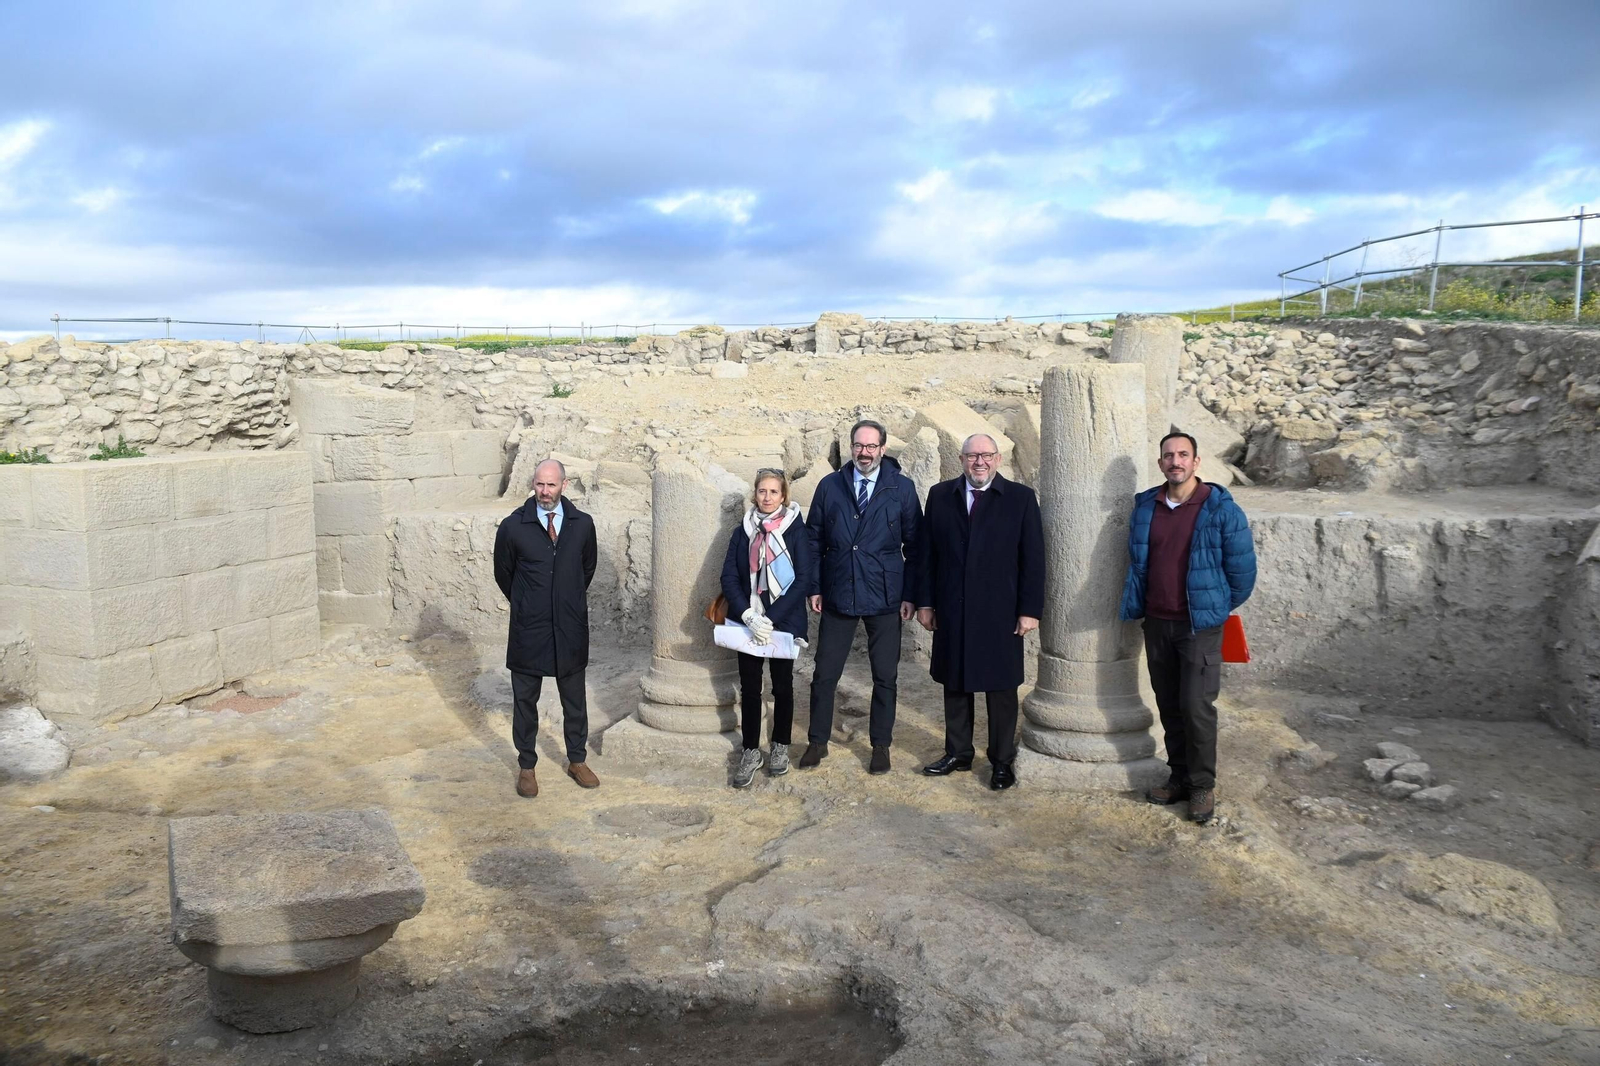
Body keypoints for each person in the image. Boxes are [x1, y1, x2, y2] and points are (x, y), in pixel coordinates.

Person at [1119, 431, 1256, 825]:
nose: (1175, 461)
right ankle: (1177, 777)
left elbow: (1242, 574)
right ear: (1160, 463)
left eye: (1183, 455)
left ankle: (1201, 786)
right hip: (1157, 622)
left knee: (1197, 707)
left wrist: (1213, 607)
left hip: (1199, 627)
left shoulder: (1221, 510)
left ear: (1197, 462)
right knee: (1170, 705)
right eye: (1168, 456)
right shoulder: (1146, 506)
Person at [916, 434, 1044, 790]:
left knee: (1001, 689)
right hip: (952, 608)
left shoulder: (1019, 499)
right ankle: (958, 752)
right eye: (972, 456)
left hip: (1000, 612)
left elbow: (1033, 560)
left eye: (986, 455)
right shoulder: (941, 496)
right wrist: (925, 602)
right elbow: (927, 556)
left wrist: (1029, 610)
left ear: (998, 459)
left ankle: (1001, 761)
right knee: (955, 683)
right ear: (961, 459)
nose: (979, 462)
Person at [801, 418, 922, 774]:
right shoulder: (829, 486)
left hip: (886, 594)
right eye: (858, 446)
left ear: (883, 449)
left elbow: (916, 546)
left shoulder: (901, 489)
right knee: (825, 673)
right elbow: (813, 539)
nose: (864, 452)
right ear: (850, 447)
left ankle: (881, 745)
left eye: (871, 446)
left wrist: (911, 594)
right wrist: (815, 586)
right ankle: (817, 742)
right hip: (838, 591)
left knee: (885, 675)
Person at [492, 458, 601, 797]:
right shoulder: (514, 526)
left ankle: (577, 760)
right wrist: (527, 602)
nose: (544, 491)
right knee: (525, 700)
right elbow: (503, 573)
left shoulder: (582, 524)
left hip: (569, 627)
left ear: (564, 486)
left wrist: (564, 600)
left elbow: (587, 569)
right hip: (530, 629)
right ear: (533, 485)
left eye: (551, 485)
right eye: (539, 484)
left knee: (574, 700)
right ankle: (527, 766)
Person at [719, 468, 818, 788]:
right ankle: (751, 750)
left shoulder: (795, 531)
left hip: (782, 620)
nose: (767, 497)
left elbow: (802, 579)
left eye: (773, 492)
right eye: (762, 491)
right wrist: (749, 615)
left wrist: (770, 618)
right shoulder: (741, 532)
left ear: (783, 496)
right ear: (755, 494)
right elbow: (729, 578)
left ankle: (780, 746)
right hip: (747, 620)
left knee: (782, 686)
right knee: (749, 688)